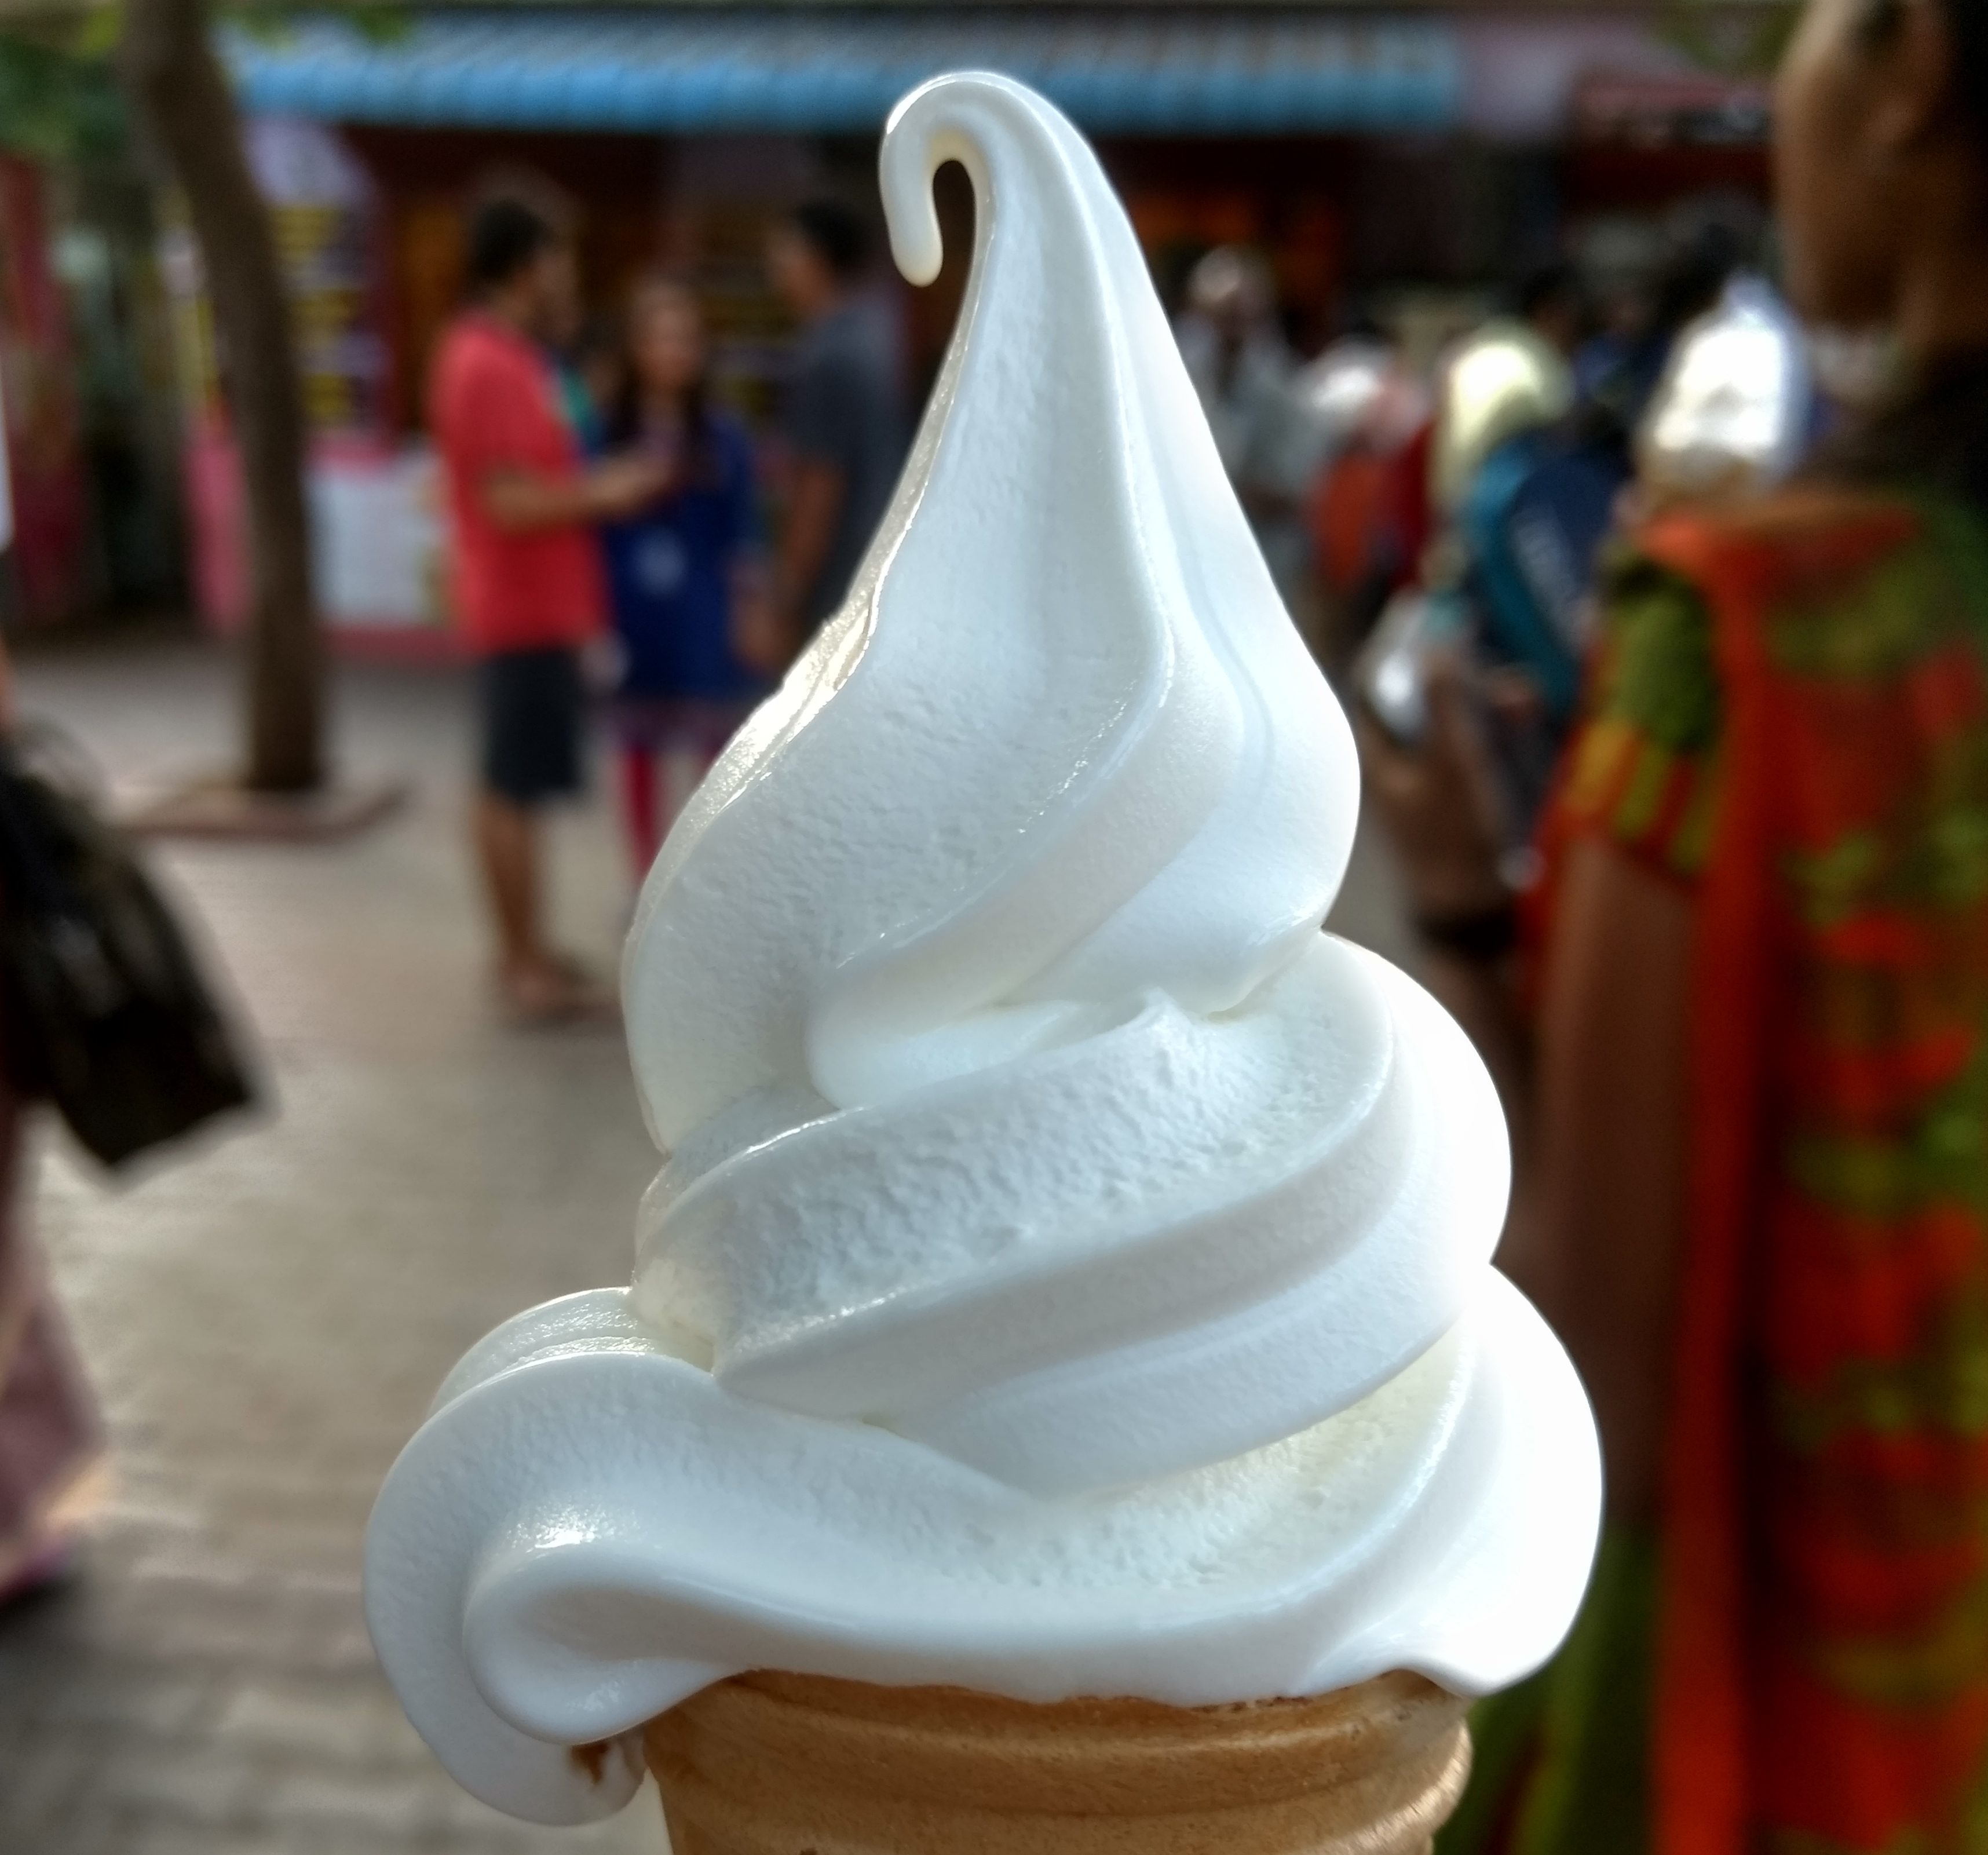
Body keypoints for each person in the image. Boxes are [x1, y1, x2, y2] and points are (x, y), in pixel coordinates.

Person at [1361, 0, 1988, 1848]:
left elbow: (1588, 1362)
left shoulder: (1744, 639)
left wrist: (1465, 917)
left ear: (1910, 74)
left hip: (1803, 1715)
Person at [429, 196, 667, 1021]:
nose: (566, 274)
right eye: (558, 257)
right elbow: (506, 501)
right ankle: (520, 964)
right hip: (516, 608)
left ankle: (529, 949)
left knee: (520, 784)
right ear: (527, 263)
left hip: (541, 610)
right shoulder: (486, 360)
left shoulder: (520, 356)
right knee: (508, 787)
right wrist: (607, 489)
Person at [599, 274, 774, 875]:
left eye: (685, 339)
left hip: (703, 614)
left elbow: (743, 533)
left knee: (712, 752)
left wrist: (751, 610)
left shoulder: (723, 436)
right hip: (633, 616)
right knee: (638, 748)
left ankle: (705, 882)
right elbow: (588, 531)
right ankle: (643, 882)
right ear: (634, 348)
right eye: (658, 337)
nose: (673, 351)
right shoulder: (608, 434)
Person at [764, 199, 909, 649]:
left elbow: (819, 488)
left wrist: (786, 597)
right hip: (878, 571)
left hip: (840, 579)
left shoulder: (832, 355)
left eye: (785, 251)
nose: (774, 265)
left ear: (818, 260)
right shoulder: (878, 334)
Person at [1175, 247, 1315, 611]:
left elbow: (1289, 492)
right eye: (1216, 318)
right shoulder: (1175, 383)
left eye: (1238, 318)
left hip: (1261, 570)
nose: (1227, 332)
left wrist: (1206, 491)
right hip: (1189, 565)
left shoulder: (1287, 393)